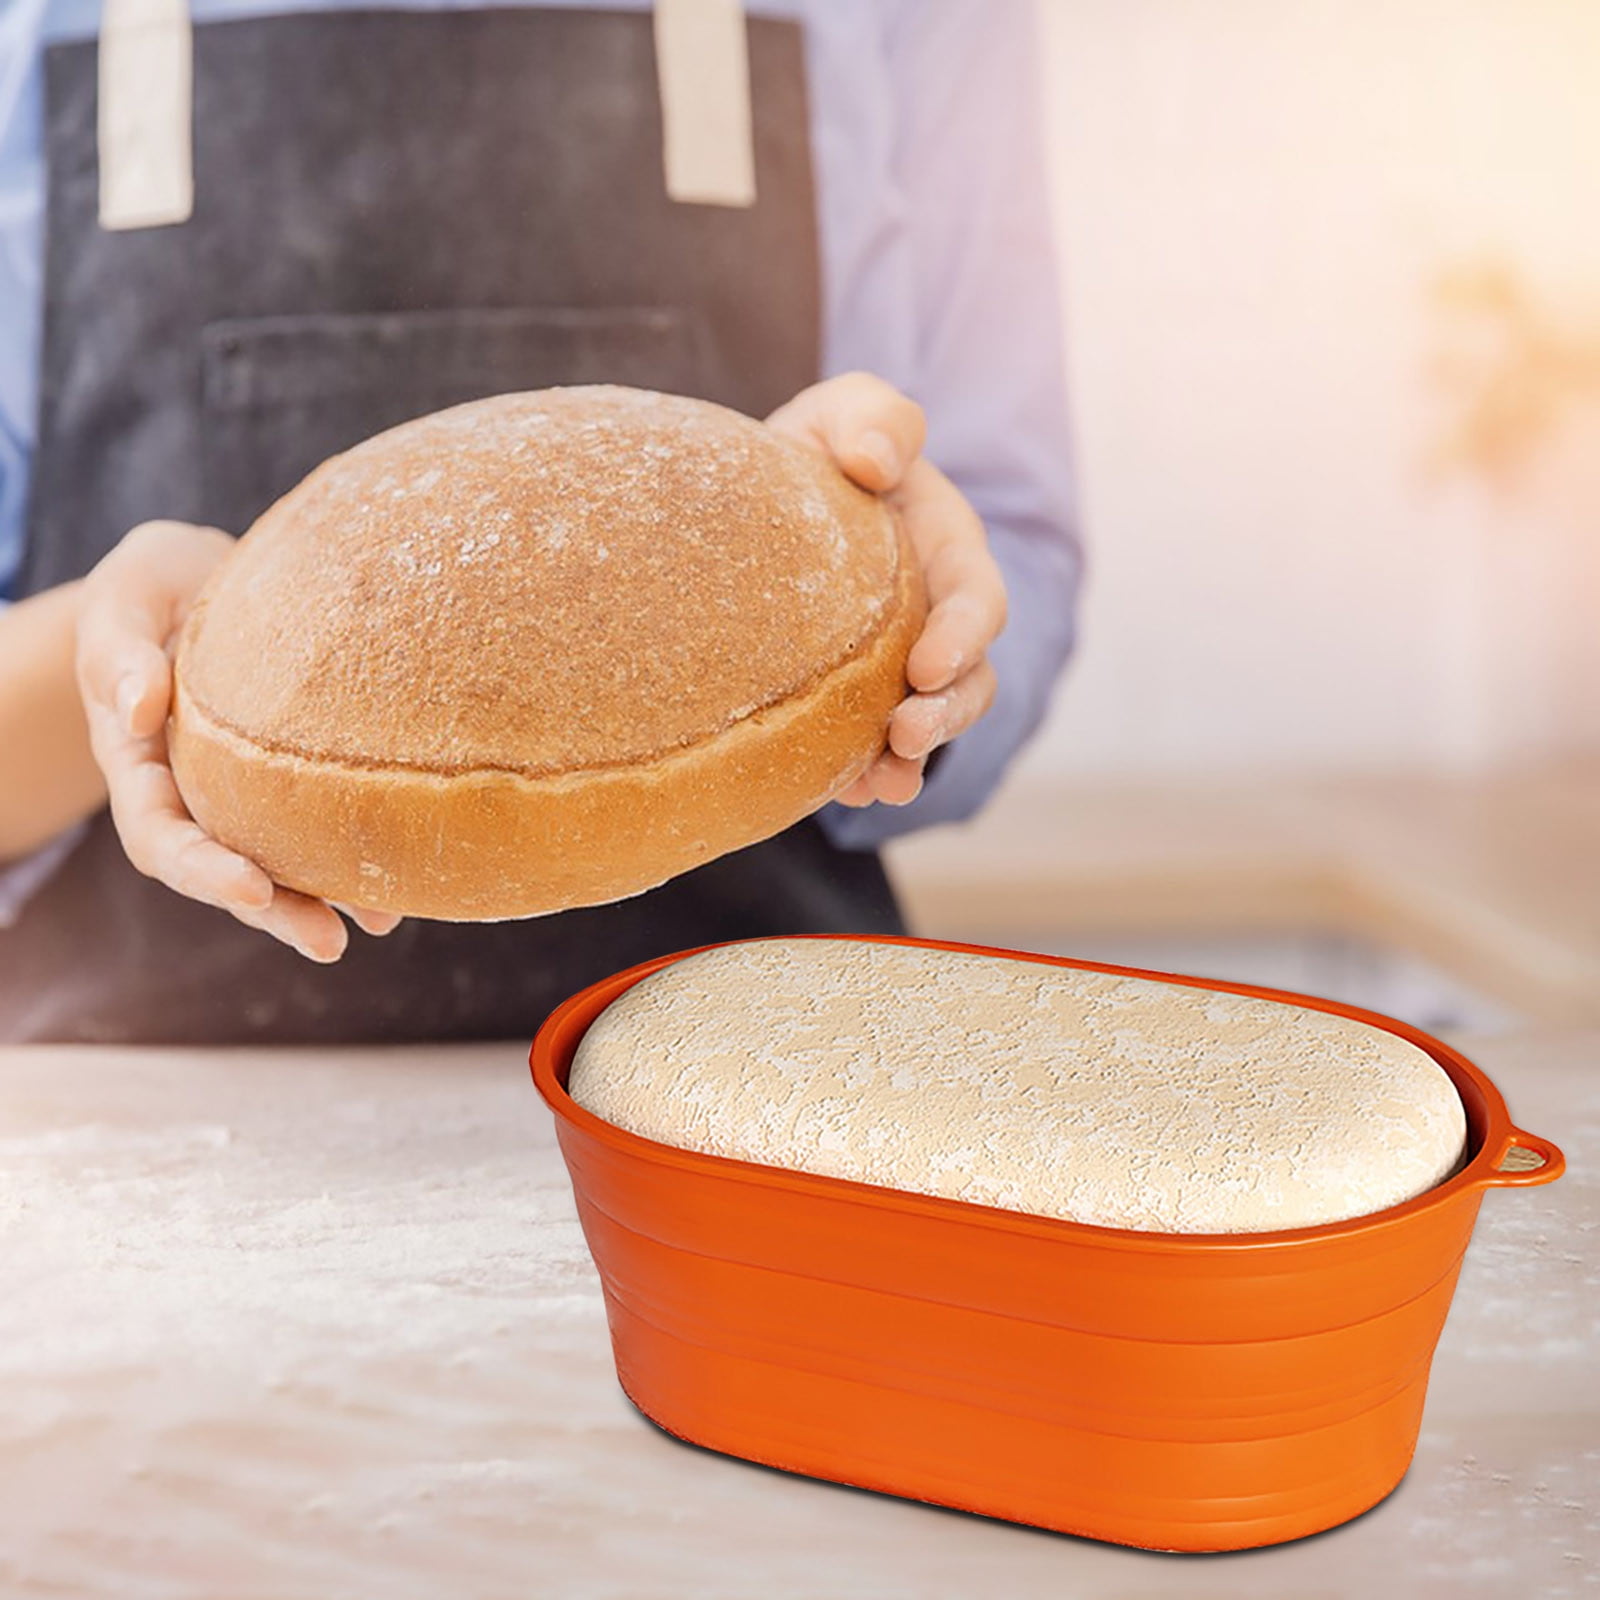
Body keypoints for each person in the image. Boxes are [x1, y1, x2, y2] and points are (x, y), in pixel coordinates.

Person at [0, 0, 1082, 1044]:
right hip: (150, 1109)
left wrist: (895, 608)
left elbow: (1013, 546)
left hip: (758, 1087)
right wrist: (142, 668)